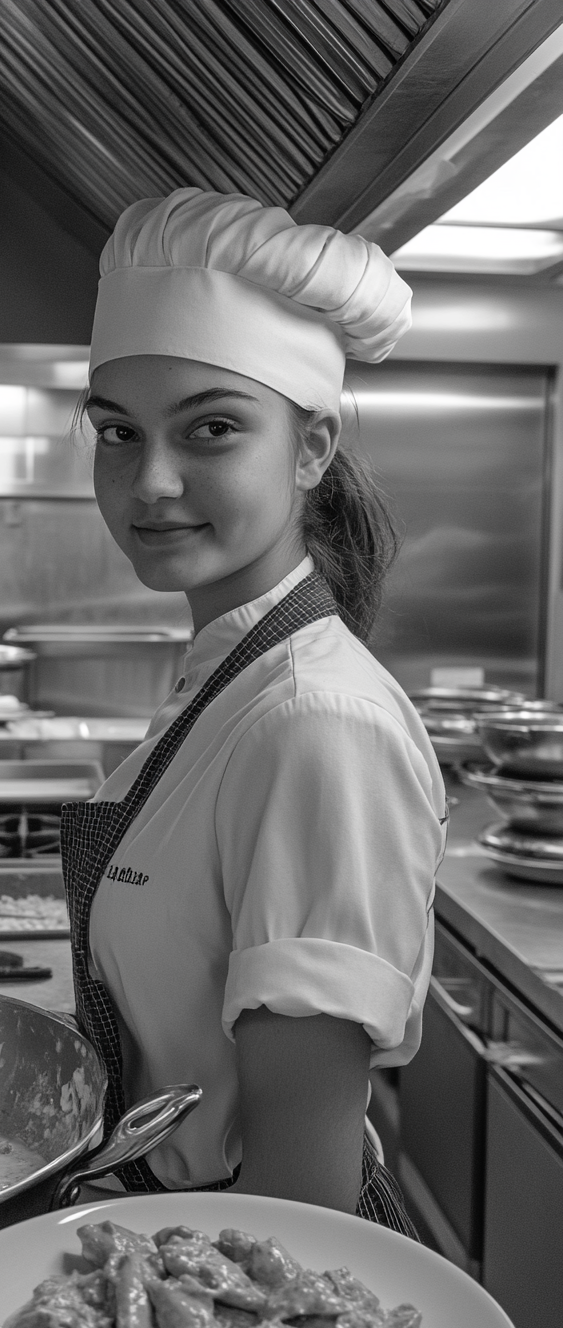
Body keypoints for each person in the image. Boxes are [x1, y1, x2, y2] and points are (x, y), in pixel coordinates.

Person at [61, 188, 446, 1234]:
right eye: (118, 433)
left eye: (212, 429)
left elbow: (298, 1195)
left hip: (237, 1283)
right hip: (161, 1238)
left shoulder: (317, 724)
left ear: (311, 447)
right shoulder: (230, 680)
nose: (153, 481)